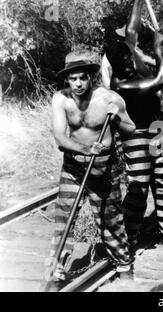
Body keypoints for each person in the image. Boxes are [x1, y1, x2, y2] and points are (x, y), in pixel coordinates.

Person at [45, 51, 136, 286]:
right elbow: (59, 136)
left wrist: (117, 119)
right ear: (67, 79)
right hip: (73, 165)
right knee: (64, 218)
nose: (77, 84)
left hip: (104, 167)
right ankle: (57, 271)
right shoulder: (60, 100)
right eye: (73, 78)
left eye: (82, 78)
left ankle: (124, 266)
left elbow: (131, 129)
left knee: (110, 219)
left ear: (91, 77)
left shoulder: (109, 98)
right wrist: (84, 150)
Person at [106, 0, 163, 249]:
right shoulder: (119, 81)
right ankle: (130, 237)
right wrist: (160, 50)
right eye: (125, 63)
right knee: (139, 185)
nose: (130, 64)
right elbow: (162, 80)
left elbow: (132, 28)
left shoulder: (126, 52)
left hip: (157, 125)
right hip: (135, 132)